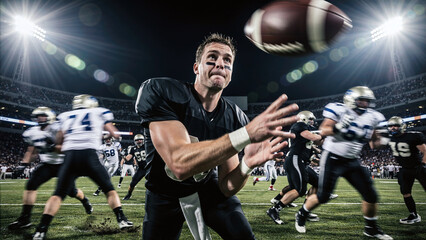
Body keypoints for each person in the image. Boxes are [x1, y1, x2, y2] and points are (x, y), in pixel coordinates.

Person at [135, 33, 299, 240]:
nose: (220, 64)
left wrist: (246, 165)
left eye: (227, 60)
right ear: (196, 67)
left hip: (208, 190)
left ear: (231, 73)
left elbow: (227, 187)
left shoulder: (234, 117)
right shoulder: (163, 92)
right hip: (163, 195)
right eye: (212, 57)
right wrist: (245, 134)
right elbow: (179, 164)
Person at [294, 86, 393, 240]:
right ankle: (302, 213)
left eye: (367, 101)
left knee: (371, 195)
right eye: (361, 100)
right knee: (323, 196)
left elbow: (374, 145)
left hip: (352, 160)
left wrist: (384, 139)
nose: (365, 104)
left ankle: (371, 228)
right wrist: (339, 127)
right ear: (351, 99)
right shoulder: (339, 110)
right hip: (333, 157)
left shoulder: (374, 116)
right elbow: (324, 129)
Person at [32, 95, 133, 240]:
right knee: (109, 189)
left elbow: (59, 144)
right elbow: (115, 134)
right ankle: (121, 219)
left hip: (70, 157)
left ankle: (41, 229)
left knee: (58, 194)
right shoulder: (98, 112)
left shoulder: (65, 116)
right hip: (89, 155)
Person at [8, 107, 93, 230]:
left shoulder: (58, 128)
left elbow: (66, 148)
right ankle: (25, 219)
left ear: (49, 117)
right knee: (31, 185)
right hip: (47, 164)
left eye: (42, 115)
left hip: (63, 164)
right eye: (38, 116)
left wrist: (53, 146)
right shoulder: (33, 132)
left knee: (71, 192)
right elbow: (31, 151)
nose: (40, 118)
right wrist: (23, 165)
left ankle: (85, 201)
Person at [267, 111, 323, 224]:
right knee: (300, 189)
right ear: (304, 119)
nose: (312, 121)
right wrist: (324, 134)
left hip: (301, 161)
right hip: (295, 159)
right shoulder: (299, 126)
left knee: (318, 183)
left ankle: (305, 211)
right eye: (310, 119)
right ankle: (274, 210)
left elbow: (319, 142)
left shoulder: (305, 129)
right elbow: (313, 137)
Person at [387, 116, 426, 224]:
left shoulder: (413, 136)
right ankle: (413, 215)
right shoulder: (389, 138)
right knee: (405, 192)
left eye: (396, 125)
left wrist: (423, 164)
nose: (393, 128)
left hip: (418, 167)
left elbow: (425, 151)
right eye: (391, 126)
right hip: (405, 169)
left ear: (402, 126)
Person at [122, 134, 147, 200]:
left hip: (150, 168)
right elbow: (127, 158)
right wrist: (123, 155)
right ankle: (129, 194)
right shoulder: (133, 149)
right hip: (141, 169)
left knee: (153, 184)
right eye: (137, 140)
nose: (139, 141)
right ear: (135, 141)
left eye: (140, 139)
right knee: (132, 183)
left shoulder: (146, 146)